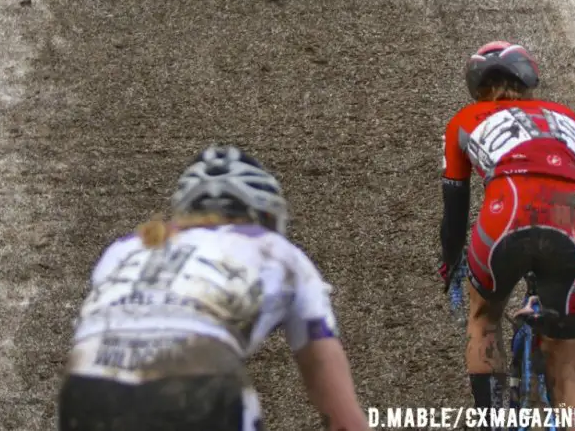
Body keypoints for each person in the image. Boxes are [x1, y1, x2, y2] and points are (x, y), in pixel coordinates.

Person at [59, 144, 368, 431]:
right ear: (264, 213)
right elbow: (328, 383)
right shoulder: (277, 250)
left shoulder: (126, 248)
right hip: (199, 378)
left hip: (87, 383)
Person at [439, 41, 575, 419]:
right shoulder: (569, 119)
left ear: (477, 86)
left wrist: (451, 264)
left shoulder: (464, 121)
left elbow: (455, 215)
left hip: (502, 220)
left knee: (484, 321)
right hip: (569, 228)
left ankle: (495, 420)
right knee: (572, 382)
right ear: (528, 80)